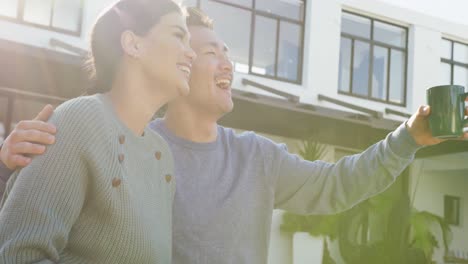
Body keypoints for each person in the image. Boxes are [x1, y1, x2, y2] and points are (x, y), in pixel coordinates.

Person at [1, 7, 467, 264]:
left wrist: (408, 137)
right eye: (205, 50)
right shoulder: (121, 137)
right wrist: (9, 167)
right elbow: (28, 237)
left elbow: (338, 184)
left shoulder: (250, 157)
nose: (228, 63)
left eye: (227, 52)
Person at [0, 0, 195, 263]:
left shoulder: (162, 155)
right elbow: (19, 255)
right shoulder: (79, 120)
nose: (191, 53)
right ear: (133, 44)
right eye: (178, 35)